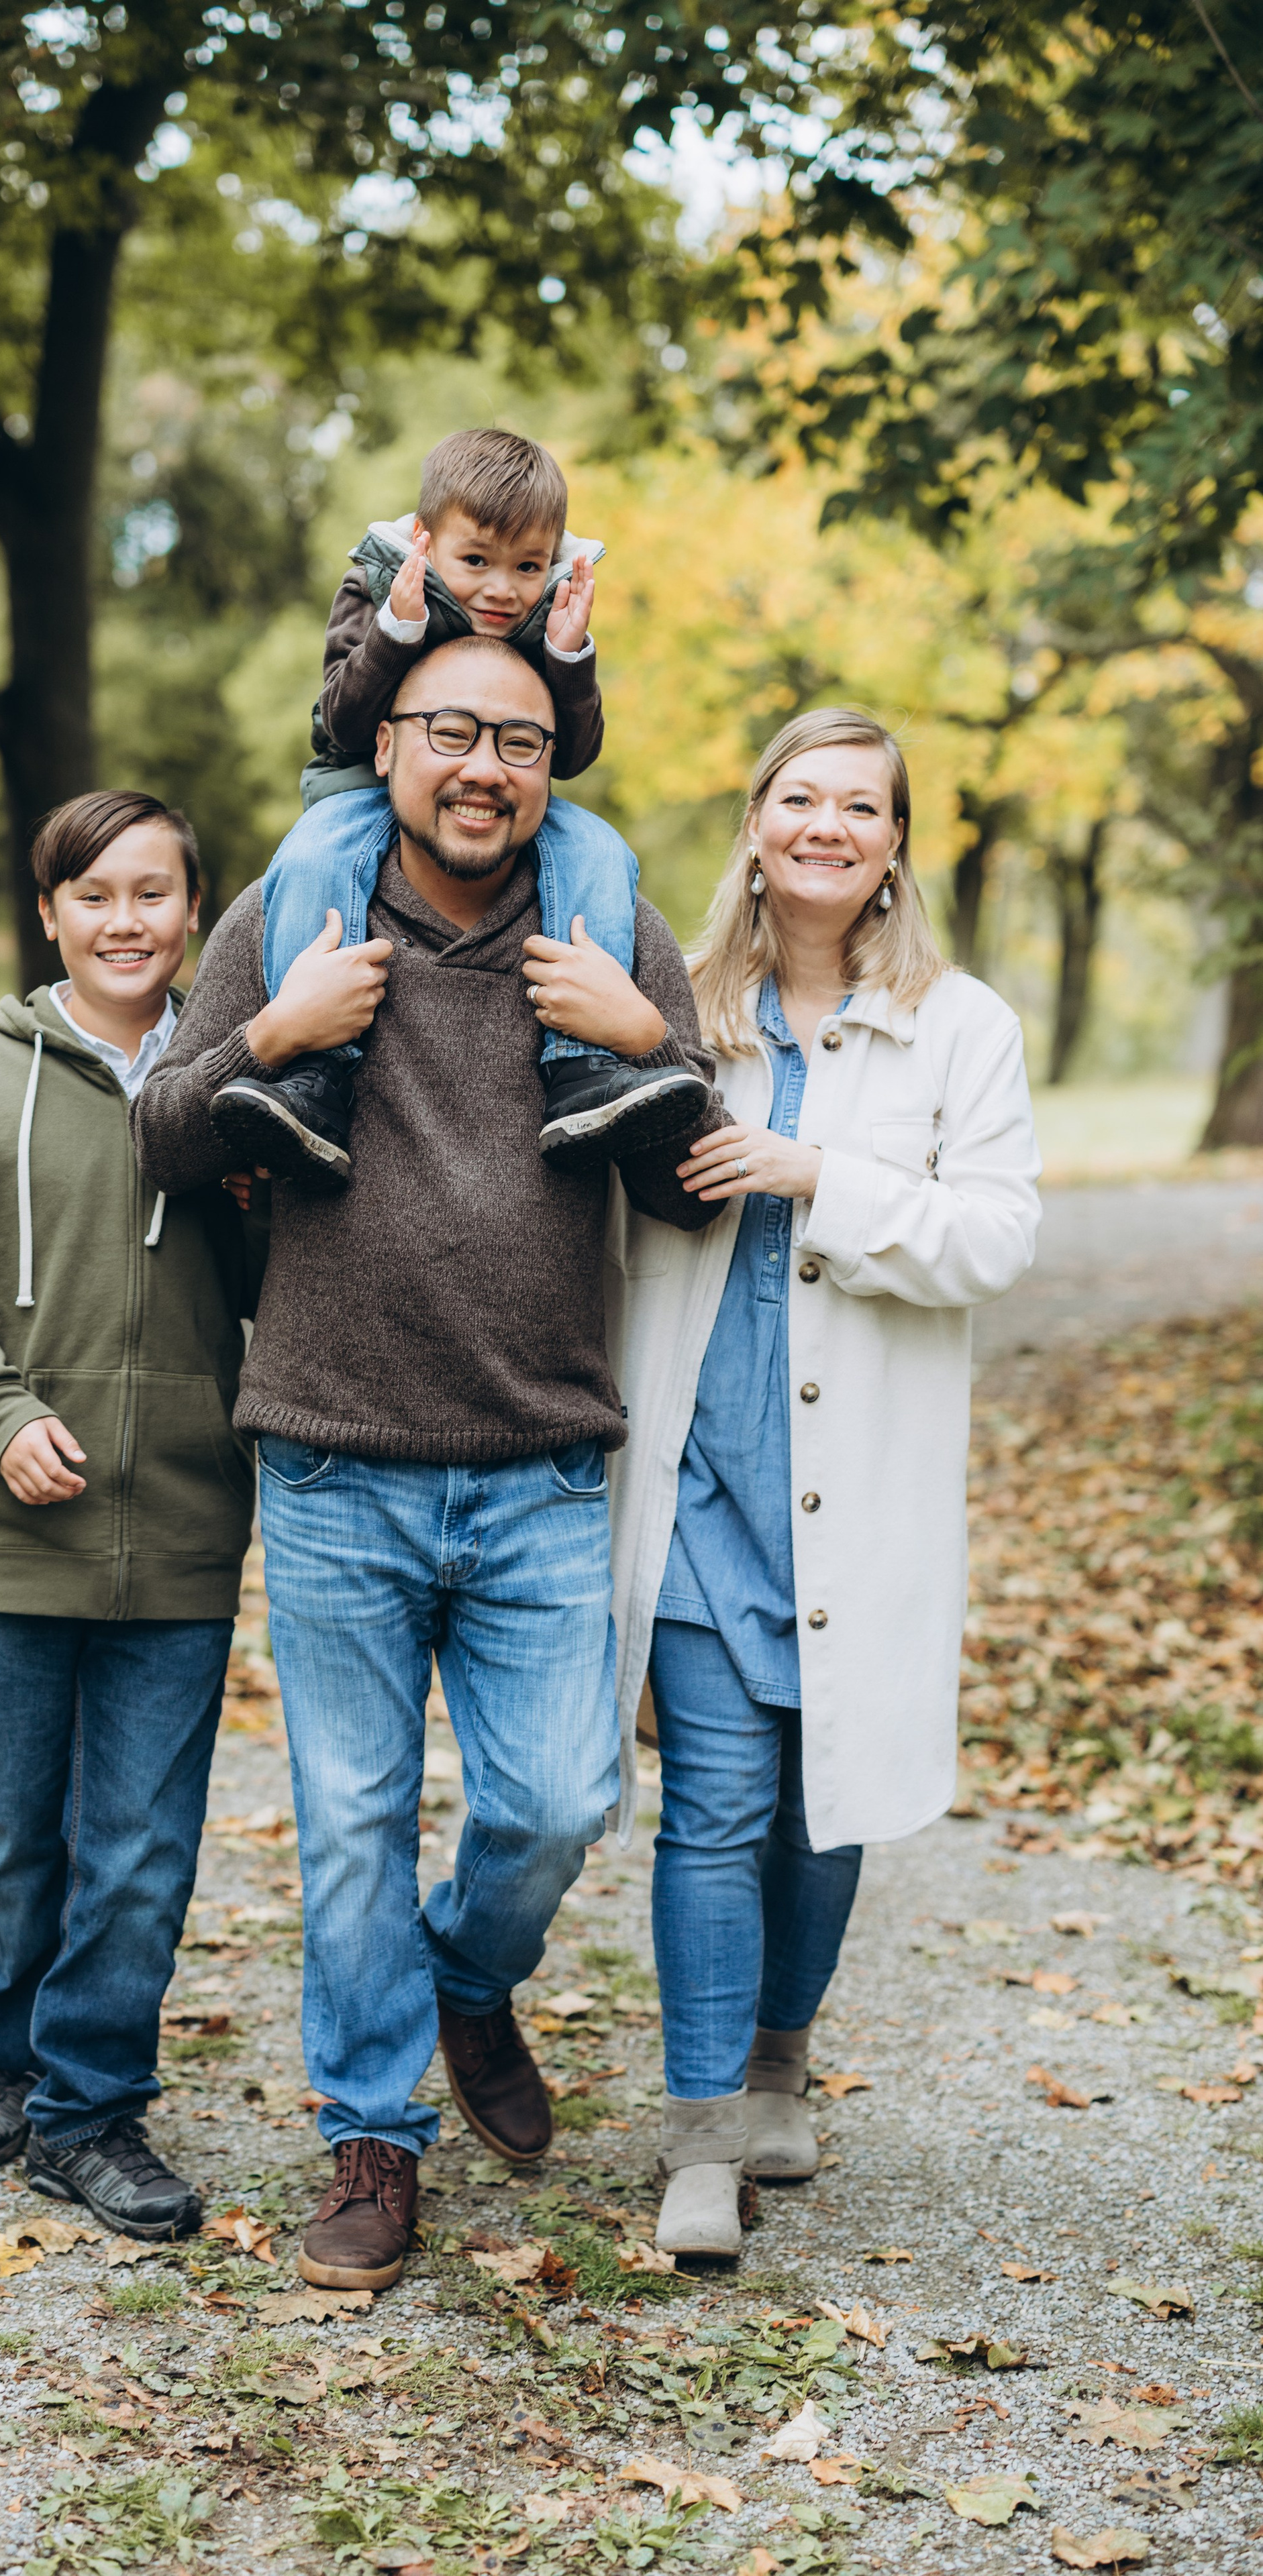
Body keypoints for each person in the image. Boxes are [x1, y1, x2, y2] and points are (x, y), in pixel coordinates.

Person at [135, 633, 725, 2292]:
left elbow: (693, 1192)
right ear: (386, 743)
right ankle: (374, 2137)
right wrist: (270, 1036)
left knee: (557, 1801)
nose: (483, 765)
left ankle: (468, 1970)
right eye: (451, 730)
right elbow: (159, 1135)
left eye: (518, 739)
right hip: (332, 1460)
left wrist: (650, 1045)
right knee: (349, 1819)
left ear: (556, 761)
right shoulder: (293, 918)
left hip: (539, 1458)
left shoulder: (610, 925)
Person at [602, 707, 1041, 2259]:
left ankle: (782, 2051)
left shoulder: (957, 1027)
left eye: (860, 804)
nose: (826, 824)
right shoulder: (670, 1011)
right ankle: (702, 2137)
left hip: (852, 1490)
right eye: (800, 795)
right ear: (754, 818)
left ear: (892, 843)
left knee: (822, 1799)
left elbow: (993, 1235)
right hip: (700, 1482)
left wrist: (815, 1176)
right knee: (712, 1805)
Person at [0, 790, 262, 2240]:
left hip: (185, 1524)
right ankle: (3, 2056)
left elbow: (293, 1279)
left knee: (142, 1835)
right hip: (17, 1520)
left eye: (153, 893)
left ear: (194, 910)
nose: (125, 920)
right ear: (50, 913)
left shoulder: (242, 1089)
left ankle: (89, 2107)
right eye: (93, 894)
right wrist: (0, 1408)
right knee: (20, 1823)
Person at [208, 428, 707, 1189]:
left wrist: (569, 657)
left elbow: (570, 755)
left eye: (527, 567)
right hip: (363, 791)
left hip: (509, 801)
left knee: (602, 849)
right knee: (311, 853)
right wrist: (396, 629)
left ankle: (583, 1070)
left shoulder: (549, 609)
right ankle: (312, 1079)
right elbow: (339, 723)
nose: (502, 591)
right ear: (424, 540)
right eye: (475, 561)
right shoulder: (377, 586)